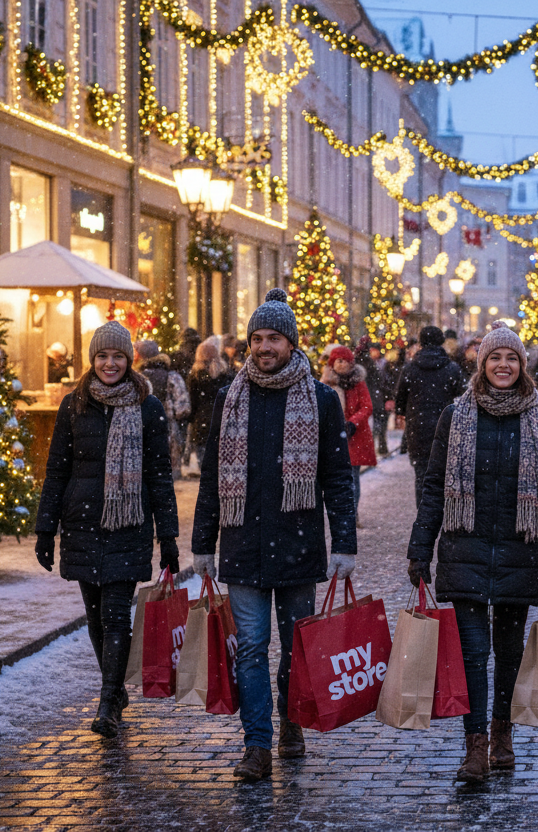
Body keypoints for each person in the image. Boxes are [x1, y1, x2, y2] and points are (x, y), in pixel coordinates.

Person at [191, 289, 358, 782]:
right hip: (242, 544)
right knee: (250, 649)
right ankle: (256, 746)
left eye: (274, 338)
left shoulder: (322, 399)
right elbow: (213, 475)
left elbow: (337, 478)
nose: (265, 347)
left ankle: (291, 720)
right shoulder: (230, 397)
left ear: (291, 342)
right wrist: (202, 542)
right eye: (257, 338)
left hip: (298, 544)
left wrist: (344, 543)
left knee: (295, 650)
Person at [406, 325, 538, 783]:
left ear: (523, 367)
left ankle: (503, 735)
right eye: (495, 358)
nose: (504, 365)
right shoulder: (455, 416)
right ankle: (475, 748)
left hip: (521, 551)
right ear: (481, 364)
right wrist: (420, 548)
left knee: (509, 652)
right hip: (467, 550)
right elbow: (435, 488)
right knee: (474, 654)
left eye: (512, 359)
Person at [34, 321, 180, 737]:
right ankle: (115, 691)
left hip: (128, 525)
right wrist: (46, 530)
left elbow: (158, 476)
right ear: (92, 359)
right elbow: (57, 470)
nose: (110, 363)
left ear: (129, 359)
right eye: (103, 356)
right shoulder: (73, 405)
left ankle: (107, 701)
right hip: (81, 524)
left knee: (116, 615)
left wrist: (167, 535)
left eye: (118, 356)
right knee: (95, 617)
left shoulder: (147, 407)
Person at [395, 325, 467, 506]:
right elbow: (461, 398)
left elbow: (400, 400)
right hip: (446, 427)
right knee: (445, 474)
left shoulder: (410, 369)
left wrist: (407, 413)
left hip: (417, 428)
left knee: (422, 475)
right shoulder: (452, 368)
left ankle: (424, 514)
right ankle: (444, 513)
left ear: (421, 342)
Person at [323, 346, 377, 526]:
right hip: (333, 437)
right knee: (336, 479)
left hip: (355, 437)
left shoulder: (358, 382)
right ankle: (339, 514)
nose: (342, 364)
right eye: (339, 360)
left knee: (352, 477)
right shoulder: (326, 382)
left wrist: (353, 422)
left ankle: (352, 515)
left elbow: (367, 406)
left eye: (345, 360)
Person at [135, 340, 190, 479]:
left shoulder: (138, 378)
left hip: (142, 427)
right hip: (168, 427)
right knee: (169, 471)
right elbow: (182, 405)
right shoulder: (172, 376)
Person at [187, 337, 234, 475]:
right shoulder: (225, 373)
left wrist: (191, 420)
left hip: (202, 423)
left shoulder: (196, 375)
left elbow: (192, 402)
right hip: (223, 421)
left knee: (206, 467)